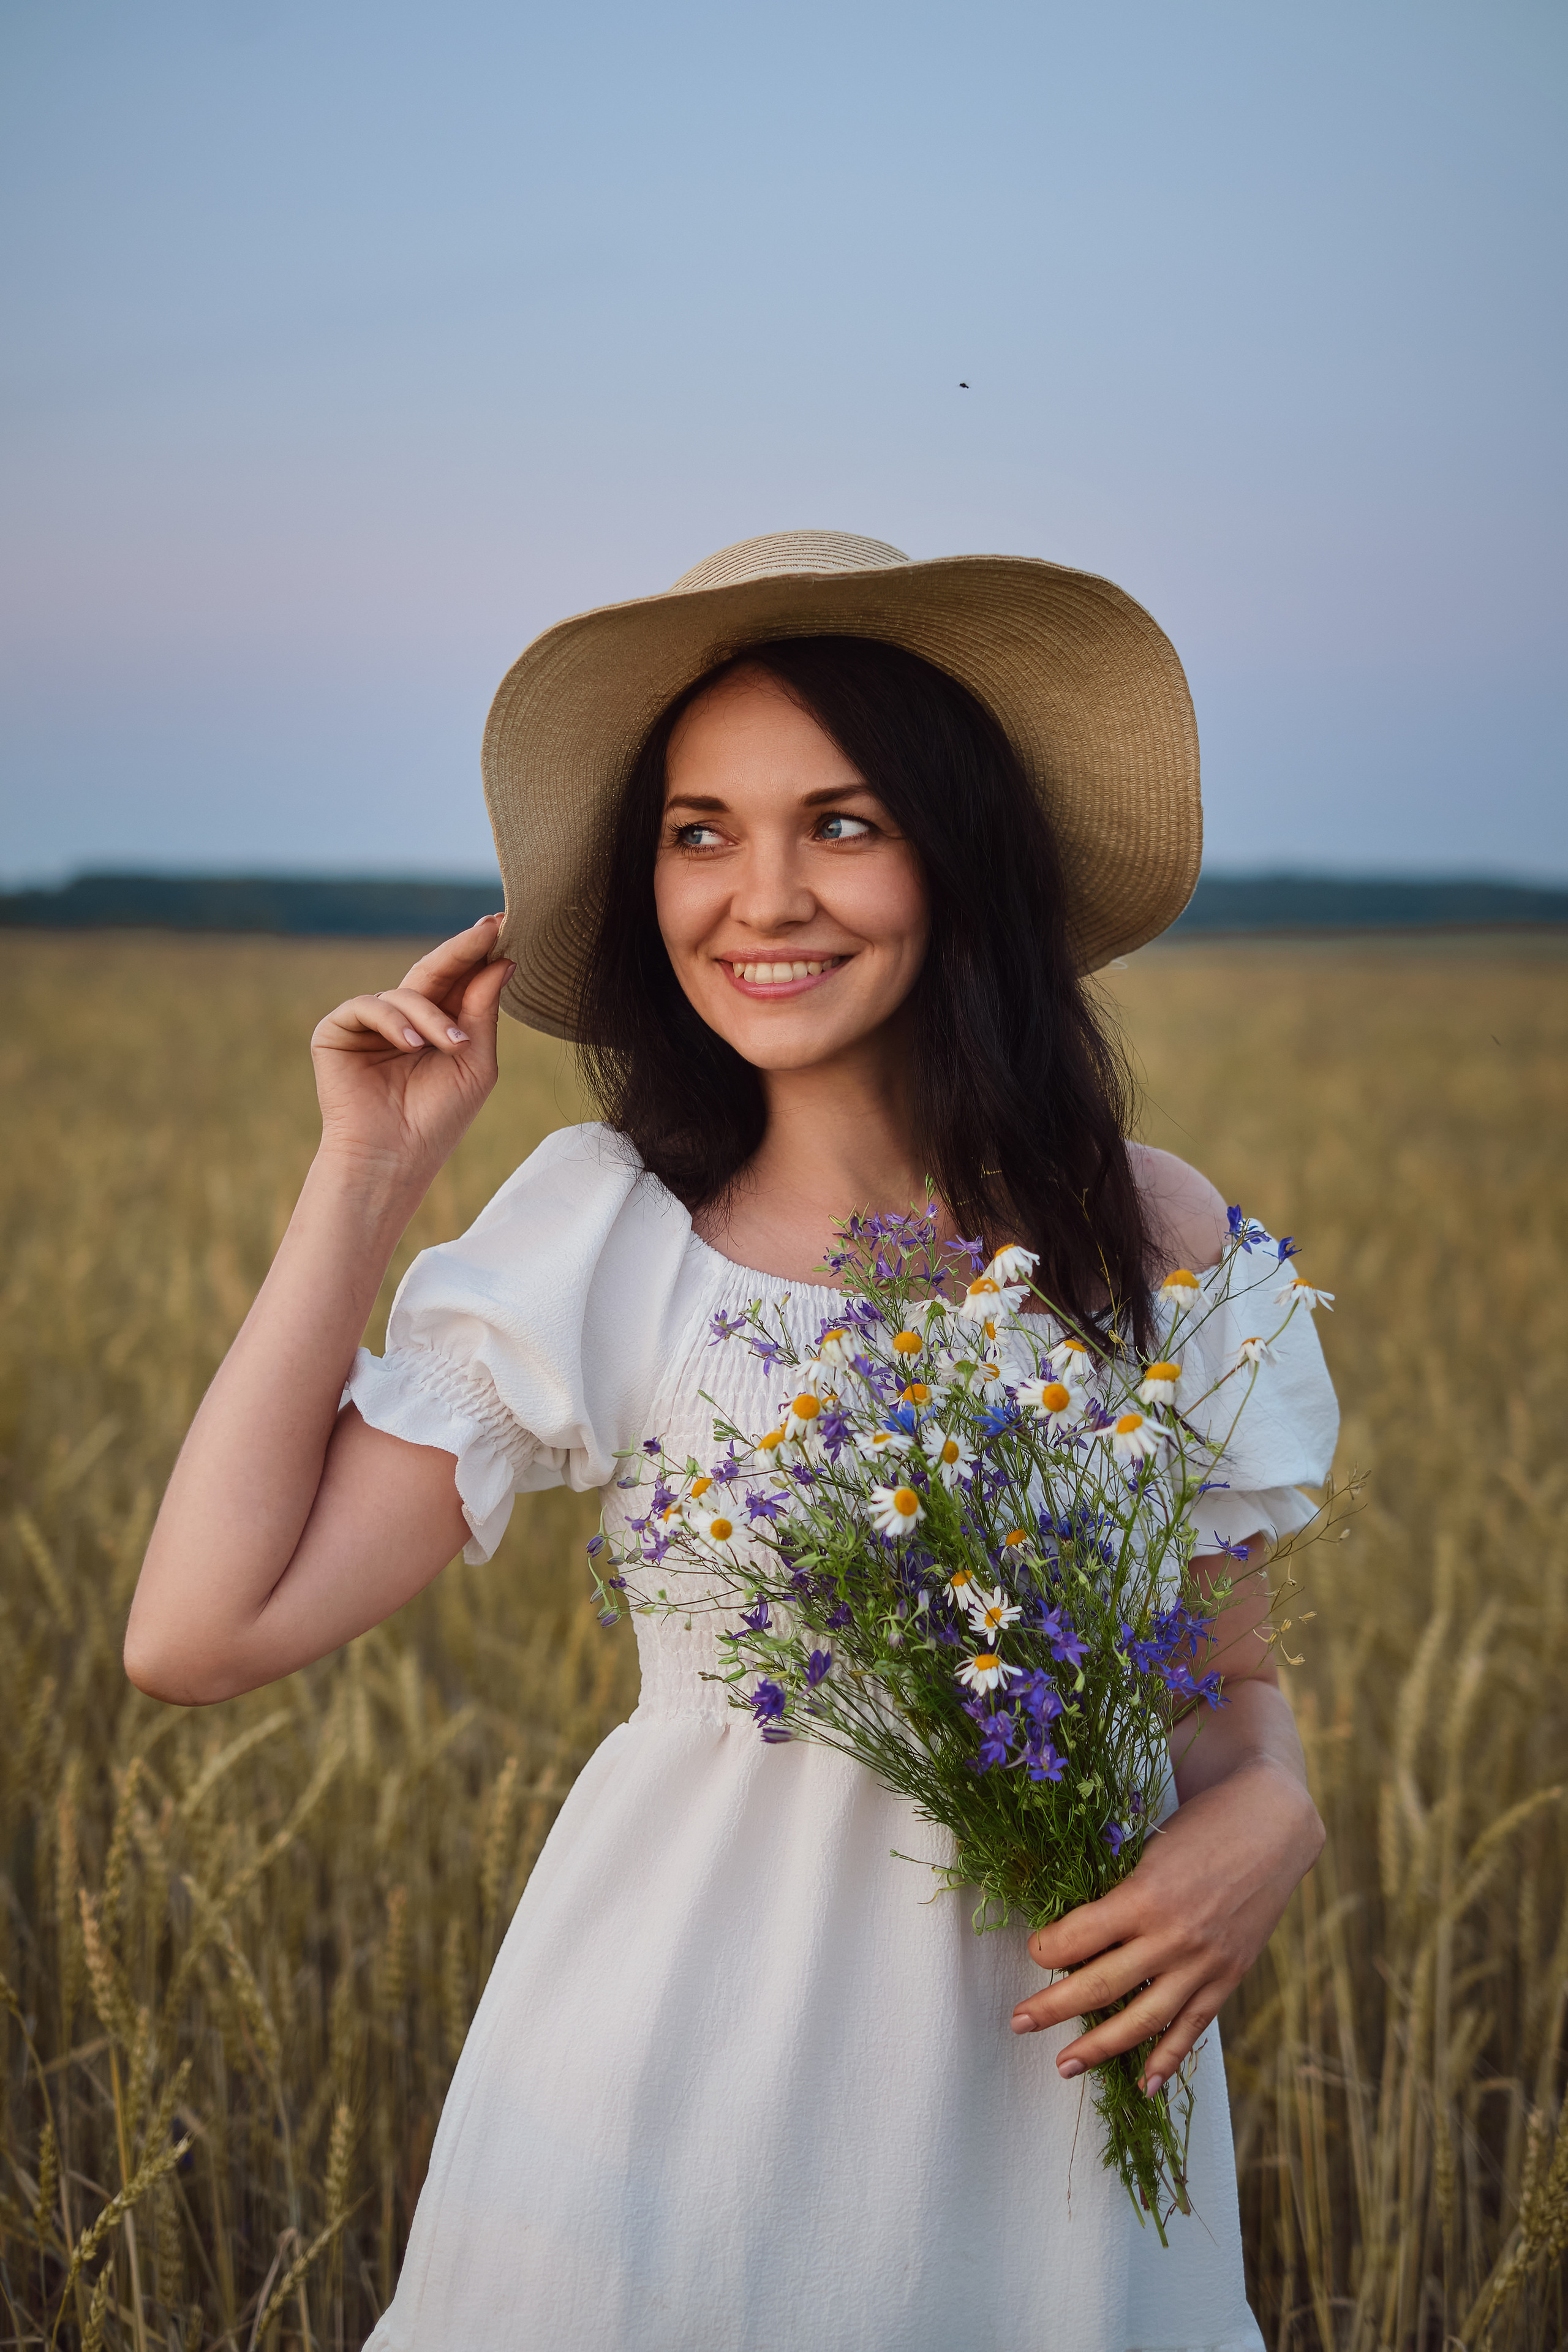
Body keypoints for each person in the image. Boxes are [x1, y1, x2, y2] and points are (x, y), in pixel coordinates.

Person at [126, 532, 1337, 2350]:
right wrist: (366, 1176)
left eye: (841, 823)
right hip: (655, 2147)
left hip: (1067, 2150)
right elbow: (195, 1635)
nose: (759, 895)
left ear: (963, 856)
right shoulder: (609, 1234)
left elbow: (1223, 1690)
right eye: (701, 830)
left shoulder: (1148, 1237)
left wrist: (1274, 1817)